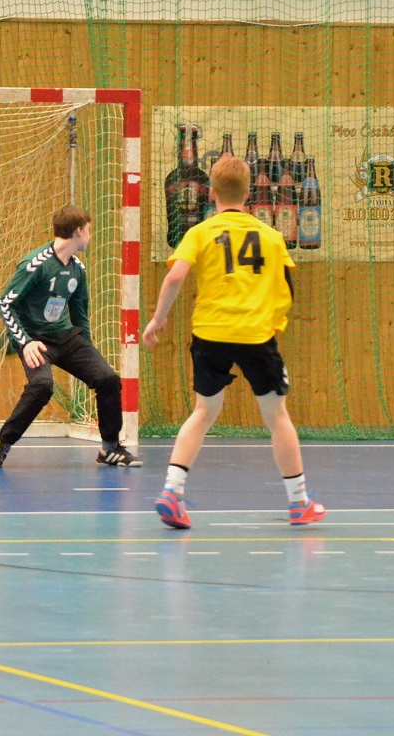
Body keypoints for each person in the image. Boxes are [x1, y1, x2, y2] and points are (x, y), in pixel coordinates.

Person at [141, 153, 325, 529]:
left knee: (203, 411)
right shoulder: (272, 237)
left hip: (210, 334)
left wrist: (158, 319)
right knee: (277, 417)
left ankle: (172, 491)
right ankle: (299, 502)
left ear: (211, 193)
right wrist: (275, 322)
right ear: (248, 193)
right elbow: (286, 289)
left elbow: (175, 277)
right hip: (256, 336)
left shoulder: (200, 232)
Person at [0, 205, 140, 469]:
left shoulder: (78, 269)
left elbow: (80, 315)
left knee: (108, 379)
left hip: (65, 336)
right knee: (42, 387)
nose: (90, 236)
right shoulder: (36, 264)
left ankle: (110, 448)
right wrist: (25, 342)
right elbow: (5, 304)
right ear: (78, 231)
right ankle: (0, 448)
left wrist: (90, 355)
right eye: (88, 231)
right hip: (36, 340)